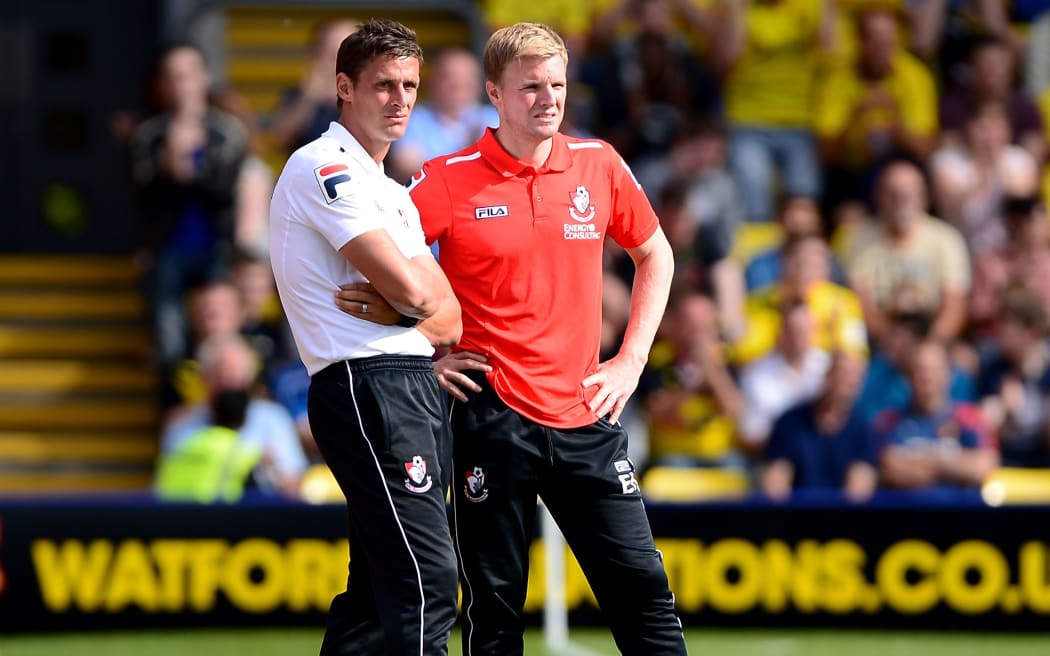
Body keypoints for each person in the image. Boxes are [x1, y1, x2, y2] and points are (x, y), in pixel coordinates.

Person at [346, 22, 688, 655]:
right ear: (494, 95)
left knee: (643, 588)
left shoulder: (599, 163)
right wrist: (428, 352)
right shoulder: (447, 177)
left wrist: (631, 360)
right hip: (490, 416)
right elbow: (377, 268)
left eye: (557, 84)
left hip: (586, 411)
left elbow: (656, 255)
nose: (548, 99)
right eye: (530, 87)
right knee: (494, 609)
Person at [268, 20, 462, 656]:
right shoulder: (324, 166)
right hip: (365, 382)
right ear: (343, 87)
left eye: (409, 85)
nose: (401, 99)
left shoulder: (393, 192)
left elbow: (450, 320)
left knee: (378, 594)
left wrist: (406, 307)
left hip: (406, 383)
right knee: (426, 580)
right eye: (383, 85)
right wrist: (409, 305)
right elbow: (417, 296)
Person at [129, 43, 247, 380]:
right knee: (171, 341)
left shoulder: (226, 131)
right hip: (167, 246)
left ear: (204, 77)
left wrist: (191, 173)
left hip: (217, 246)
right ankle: (173, 409)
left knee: (219, 334)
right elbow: (143, 195)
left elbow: (229, 192)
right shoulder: (149, 135)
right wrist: (167, 168)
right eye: (172, 76)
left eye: (187, 74)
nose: (181, 83)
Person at [158, 333, 307, 500]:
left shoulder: (273, 419)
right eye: (220, 375)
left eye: (236, 376)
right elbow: (167, 490)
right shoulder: (181, 425)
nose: (229, 383)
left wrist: (271, 473)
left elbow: (296, 486)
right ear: (205, 379)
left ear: (250, 378)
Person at [876, 339, 1000, 494]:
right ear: (908, 376)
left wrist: (930, 463)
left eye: (933, 370)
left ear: (947, 374)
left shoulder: (970, 418)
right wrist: (954, 466)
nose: (925, 377)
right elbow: (890, 469)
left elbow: (984, 467)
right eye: (919, 370)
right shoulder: (890, 422)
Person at [760, 352, 878, 503]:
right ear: (827, 375)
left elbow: (859, 489)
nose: (847, 383)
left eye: (855, 377)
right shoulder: (790, 423)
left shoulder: (862, 430)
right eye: (842, 374)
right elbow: (776, 483)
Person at [386, 47, 499, 183]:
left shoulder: (495, 117)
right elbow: (408, 167)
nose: (459, 84)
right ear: (430, 81)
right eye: (450, 76)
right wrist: (472, 151)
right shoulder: (410, 119)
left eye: (469, 77)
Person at [270, 19, 359, 154]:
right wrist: (309, 98)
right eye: (331, 55)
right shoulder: (300, 97)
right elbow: (280, 139)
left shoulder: (369, 95)